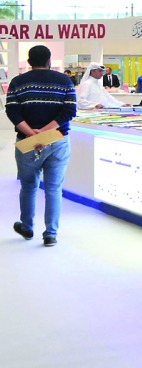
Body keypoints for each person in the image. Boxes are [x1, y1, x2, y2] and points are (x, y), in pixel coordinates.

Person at [5, 45, 76, 247]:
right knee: (54, 188)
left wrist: (32, 133)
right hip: (57, 139)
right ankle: (51, 234)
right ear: (49, 60)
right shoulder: (64, 81)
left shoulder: (18, 82)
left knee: (28, 186)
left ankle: (27, 227)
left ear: (29, 62)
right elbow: (69, 111)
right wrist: (46, 131)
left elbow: (12, 111)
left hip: (27, 141)